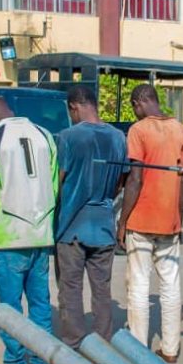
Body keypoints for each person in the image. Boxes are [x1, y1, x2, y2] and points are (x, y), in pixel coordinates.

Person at [0, 96, 58, 364]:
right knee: (40, 304)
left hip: (10, 236)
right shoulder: (44, 135)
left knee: (10, 308)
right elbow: (54, 183)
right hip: (41, 233)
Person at [117, 84, 183, 363]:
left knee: (138, 284)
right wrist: (179, 220)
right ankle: (171, 350)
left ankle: (139, 351)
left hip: (141, 220)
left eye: (133, 107)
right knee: (170, 286)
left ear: (139, 102)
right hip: (170, 221)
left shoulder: (138, 131)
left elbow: (134, 179)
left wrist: (122, 221)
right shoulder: (182, 130)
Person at [54, 84, 127, 348]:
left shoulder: (67, 137)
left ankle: (74, 343)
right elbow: (120, 182)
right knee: (102, 290)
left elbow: (58, 182)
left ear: (74, 107)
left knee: (70, 289)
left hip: (72, 226)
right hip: (104, 225)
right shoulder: (119, 137)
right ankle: (102, 344)